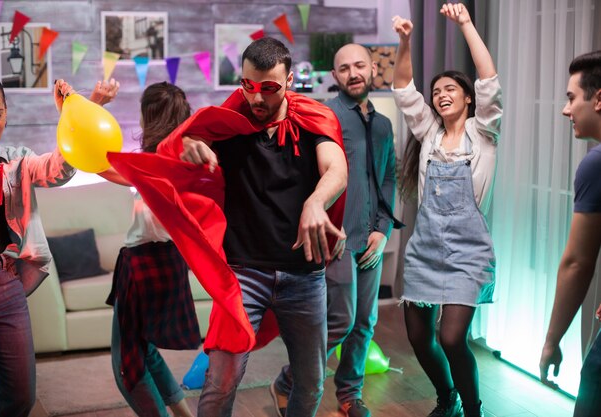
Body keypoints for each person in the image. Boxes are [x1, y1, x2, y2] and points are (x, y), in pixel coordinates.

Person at [166, 37, 348, 417]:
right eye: (248, 86)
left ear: (290, 81)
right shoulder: (229, 124)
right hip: (243, 274)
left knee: (311, 381)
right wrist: (189, 144)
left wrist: (316, 202)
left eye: (269, 88)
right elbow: (188, 142)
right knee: (222, 379)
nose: (257, 98)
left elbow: (336, 168)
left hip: (304, 275)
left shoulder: (312, 121)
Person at [270, 43, 402, 417]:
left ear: (373, 68)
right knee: (340, 322)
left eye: (360, 65)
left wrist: (384, 228)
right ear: (335, 76)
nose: (353, 73)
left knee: (365, 323)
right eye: (344, 68)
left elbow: (388, 179)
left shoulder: (383, 123)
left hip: (371, 238)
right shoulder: (323, 116)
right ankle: (288, 380)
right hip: (336, 240)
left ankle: (349, 394)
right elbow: (307, 176)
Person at [0, 73, 117, 417]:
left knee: (21, 397)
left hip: (5, 281)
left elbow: (58, 170)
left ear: (7, 111)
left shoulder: (16, 160)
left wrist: (82, 110)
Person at [391, 4, 502, 417]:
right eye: (436, 91)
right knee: (420, 339)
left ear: (469, 98)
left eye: (450, 89)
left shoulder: (484, 132)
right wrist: (405, 41)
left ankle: (473, 408)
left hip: (468, 252)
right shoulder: (429, 133)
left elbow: (489, 77)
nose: (441, 94)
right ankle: (447, 398)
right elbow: (404, 89)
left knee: (452, 338)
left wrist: (466, 24)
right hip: (425, 250)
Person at [101, 82, 200, 417]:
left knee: (126, 363)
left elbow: (100, 164)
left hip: (144, 263)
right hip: (172, 261)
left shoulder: (150, 164)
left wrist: (84, 111)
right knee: (147, 350)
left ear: (149, 118)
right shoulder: (188, 161)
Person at [539, 50, 601, 417]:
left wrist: (551, 340)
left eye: (571, 97)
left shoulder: (595, 164)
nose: (566, 110)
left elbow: (577, 263)